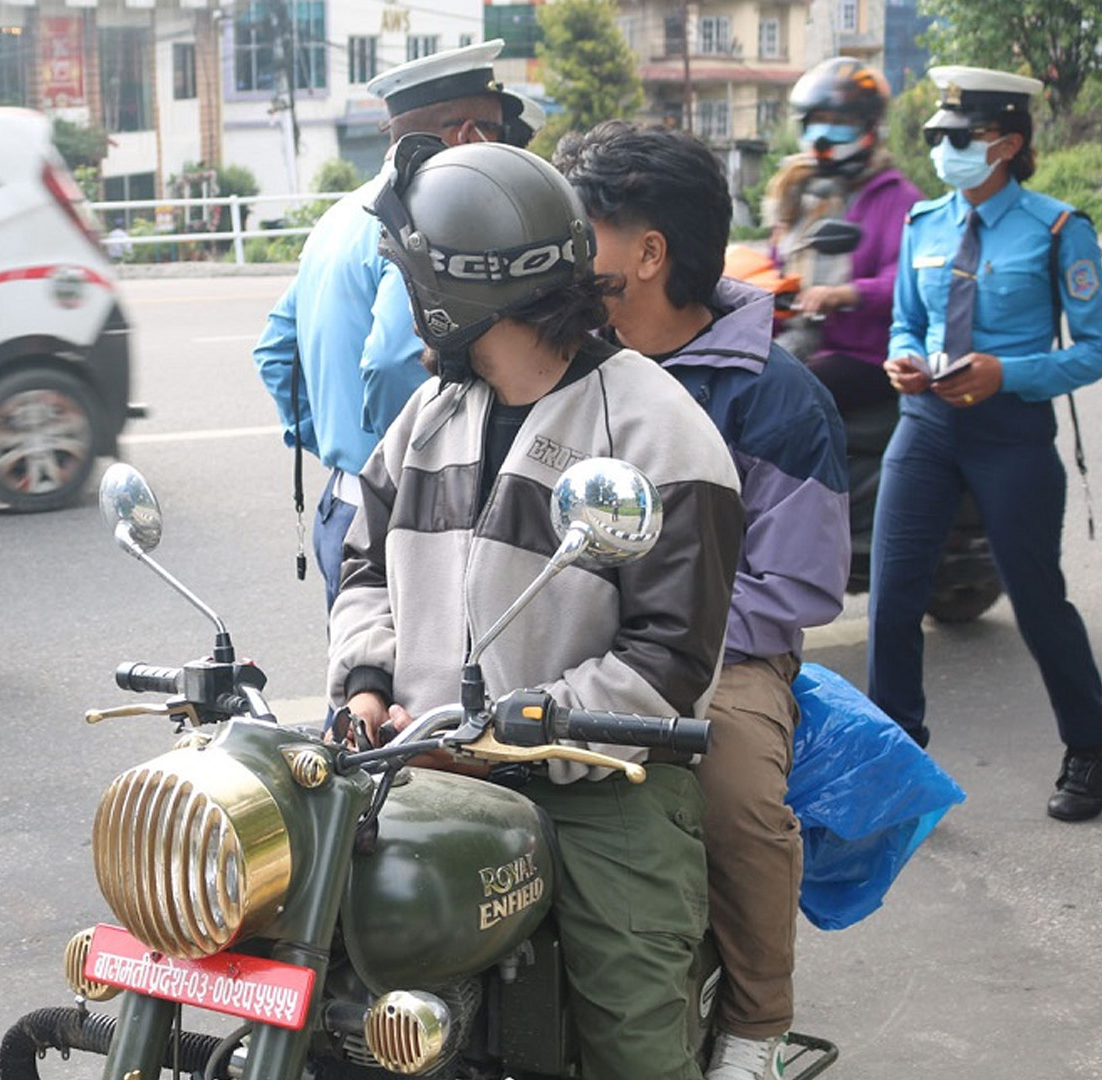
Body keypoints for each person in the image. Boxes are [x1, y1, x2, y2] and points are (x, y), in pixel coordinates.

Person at [330, 137, 745, 1080]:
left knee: (633, 1045)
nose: (398, 300)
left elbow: (668, 664)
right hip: (420, 763)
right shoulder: (429, 417)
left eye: (408, 277)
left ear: (457, 291)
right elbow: (362, 568)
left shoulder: (655, 426)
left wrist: (508, 734)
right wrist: (363, 687)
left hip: (601, 787)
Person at [556, 120, 850, 1080]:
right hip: (575, 635)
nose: (563, 249)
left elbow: (796, 588)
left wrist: (661, 644)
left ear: (648, 252)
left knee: (732, 799)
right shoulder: (564, 357)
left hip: (728, 657)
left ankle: (757, 1029)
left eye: (581, 229)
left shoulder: (777, 397)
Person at [873, 65, 1102, 822]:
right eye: (936, 135)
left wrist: (1010, 373)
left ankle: (1091, 750)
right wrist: (901, 360)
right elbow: (907, 321)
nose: (940, 147)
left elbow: (1095, 348)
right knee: (893, 599)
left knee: (1038, 599)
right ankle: (896, 767)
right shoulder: (923, 227)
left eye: (955, 136)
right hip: (928, 427)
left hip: (1011, 435)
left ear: (1005, 142)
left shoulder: (1061, 229)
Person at [251, 40, 538, 613]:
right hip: (402, 516)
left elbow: (276, 351)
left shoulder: (342, 214)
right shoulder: (424, 219)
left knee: (360, 685)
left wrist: (341, 451)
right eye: (497, 132)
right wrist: (408, 478)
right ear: (467, 135)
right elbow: (390, 362)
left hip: (342, 505)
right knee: (416, 695)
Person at [764, 58, 925, 415]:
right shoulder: (797, 193)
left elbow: (906, 279)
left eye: (840, 122)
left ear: (869, 128)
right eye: (817, 120)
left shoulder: (898, 197)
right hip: (800, 338)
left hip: (865, 354)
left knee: (785, 390)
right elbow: (775, 269)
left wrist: (843, 294)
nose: (825, 133)